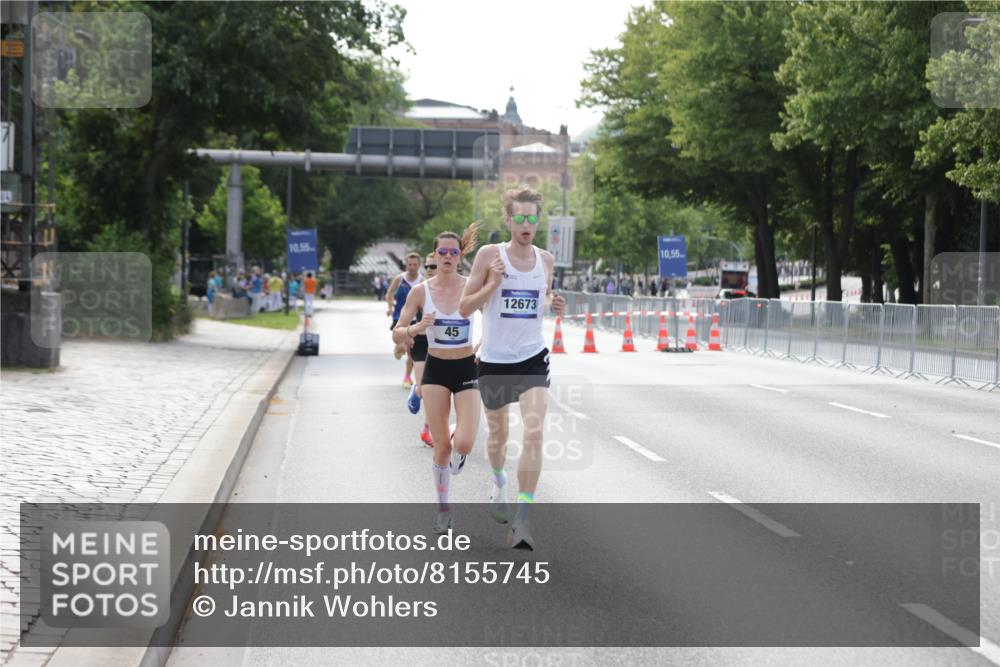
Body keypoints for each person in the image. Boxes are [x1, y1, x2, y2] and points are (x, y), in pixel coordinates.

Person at [460, 186, 565, 551]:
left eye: (531, 218)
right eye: (518, 217)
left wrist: (553, 302)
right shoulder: (491, 255)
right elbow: (463, 308)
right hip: (494, 360)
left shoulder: (546, 260)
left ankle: (523, 520)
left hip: (532, 358)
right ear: (508, 219)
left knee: (534, 434)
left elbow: (544, 295)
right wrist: (492, 284)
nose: (525, 224)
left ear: (538, 220)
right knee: (498, 437)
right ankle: (498, 480)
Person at [393, 225, 481, 533]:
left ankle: (457, 431)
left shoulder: (471, 286)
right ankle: (443, 509)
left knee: (466, 444)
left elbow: (495, 320)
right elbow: (397, 333)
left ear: (460, 256)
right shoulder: (421, 292)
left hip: (467, 368)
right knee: (441, 447)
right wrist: (416, 329)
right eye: (441, 252)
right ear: (434, 255)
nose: (446, 257)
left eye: (452, 252)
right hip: (435, 371)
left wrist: (485, 347)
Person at [405, 254, 438, 448]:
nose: (431, 269)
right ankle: (416, 390)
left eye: (434, 266)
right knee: (425, 388)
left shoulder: (452, 289)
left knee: (436, 392)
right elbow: (406, 314)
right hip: (421, 342)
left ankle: (428, 428)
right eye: (429, 266)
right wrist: (408, 334)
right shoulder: (420, 290)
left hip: (442, 344)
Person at [386, 253, 424, 388]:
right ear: (406, 265)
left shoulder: (422, 280)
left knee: (411, 351)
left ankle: (407, 377)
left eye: (415, 264)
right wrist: (390, 307)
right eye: (410, 264)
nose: (412, 267)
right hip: (399, 319)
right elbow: (389, 293)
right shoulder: (399, 278)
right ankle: (399, 346)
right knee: (403, 347)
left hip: (415, 320)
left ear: (419, 265)